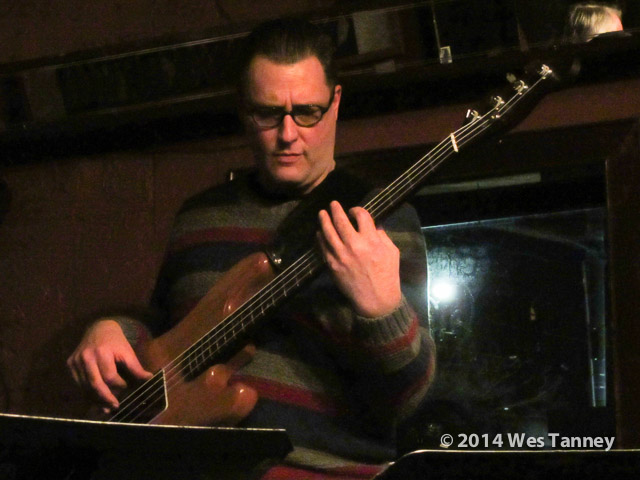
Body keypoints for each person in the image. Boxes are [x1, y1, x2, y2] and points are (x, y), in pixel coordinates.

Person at [67, 18, 435, 479]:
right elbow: (165, 338)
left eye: (307, 112)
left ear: (336, 102)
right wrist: (111, 330)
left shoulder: (384, 220)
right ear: (243, 110)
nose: (288, 134)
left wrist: (384, 312)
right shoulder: (199, 217)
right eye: (267, 113)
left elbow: (409, 400)